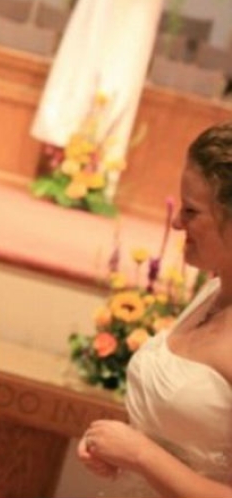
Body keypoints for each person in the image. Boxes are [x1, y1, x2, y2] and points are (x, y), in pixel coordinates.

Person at [77, 121, 232, 497]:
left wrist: (141, 454)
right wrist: (121, 446)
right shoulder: (212, 292)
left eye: (191, 211)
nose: (177, 222)